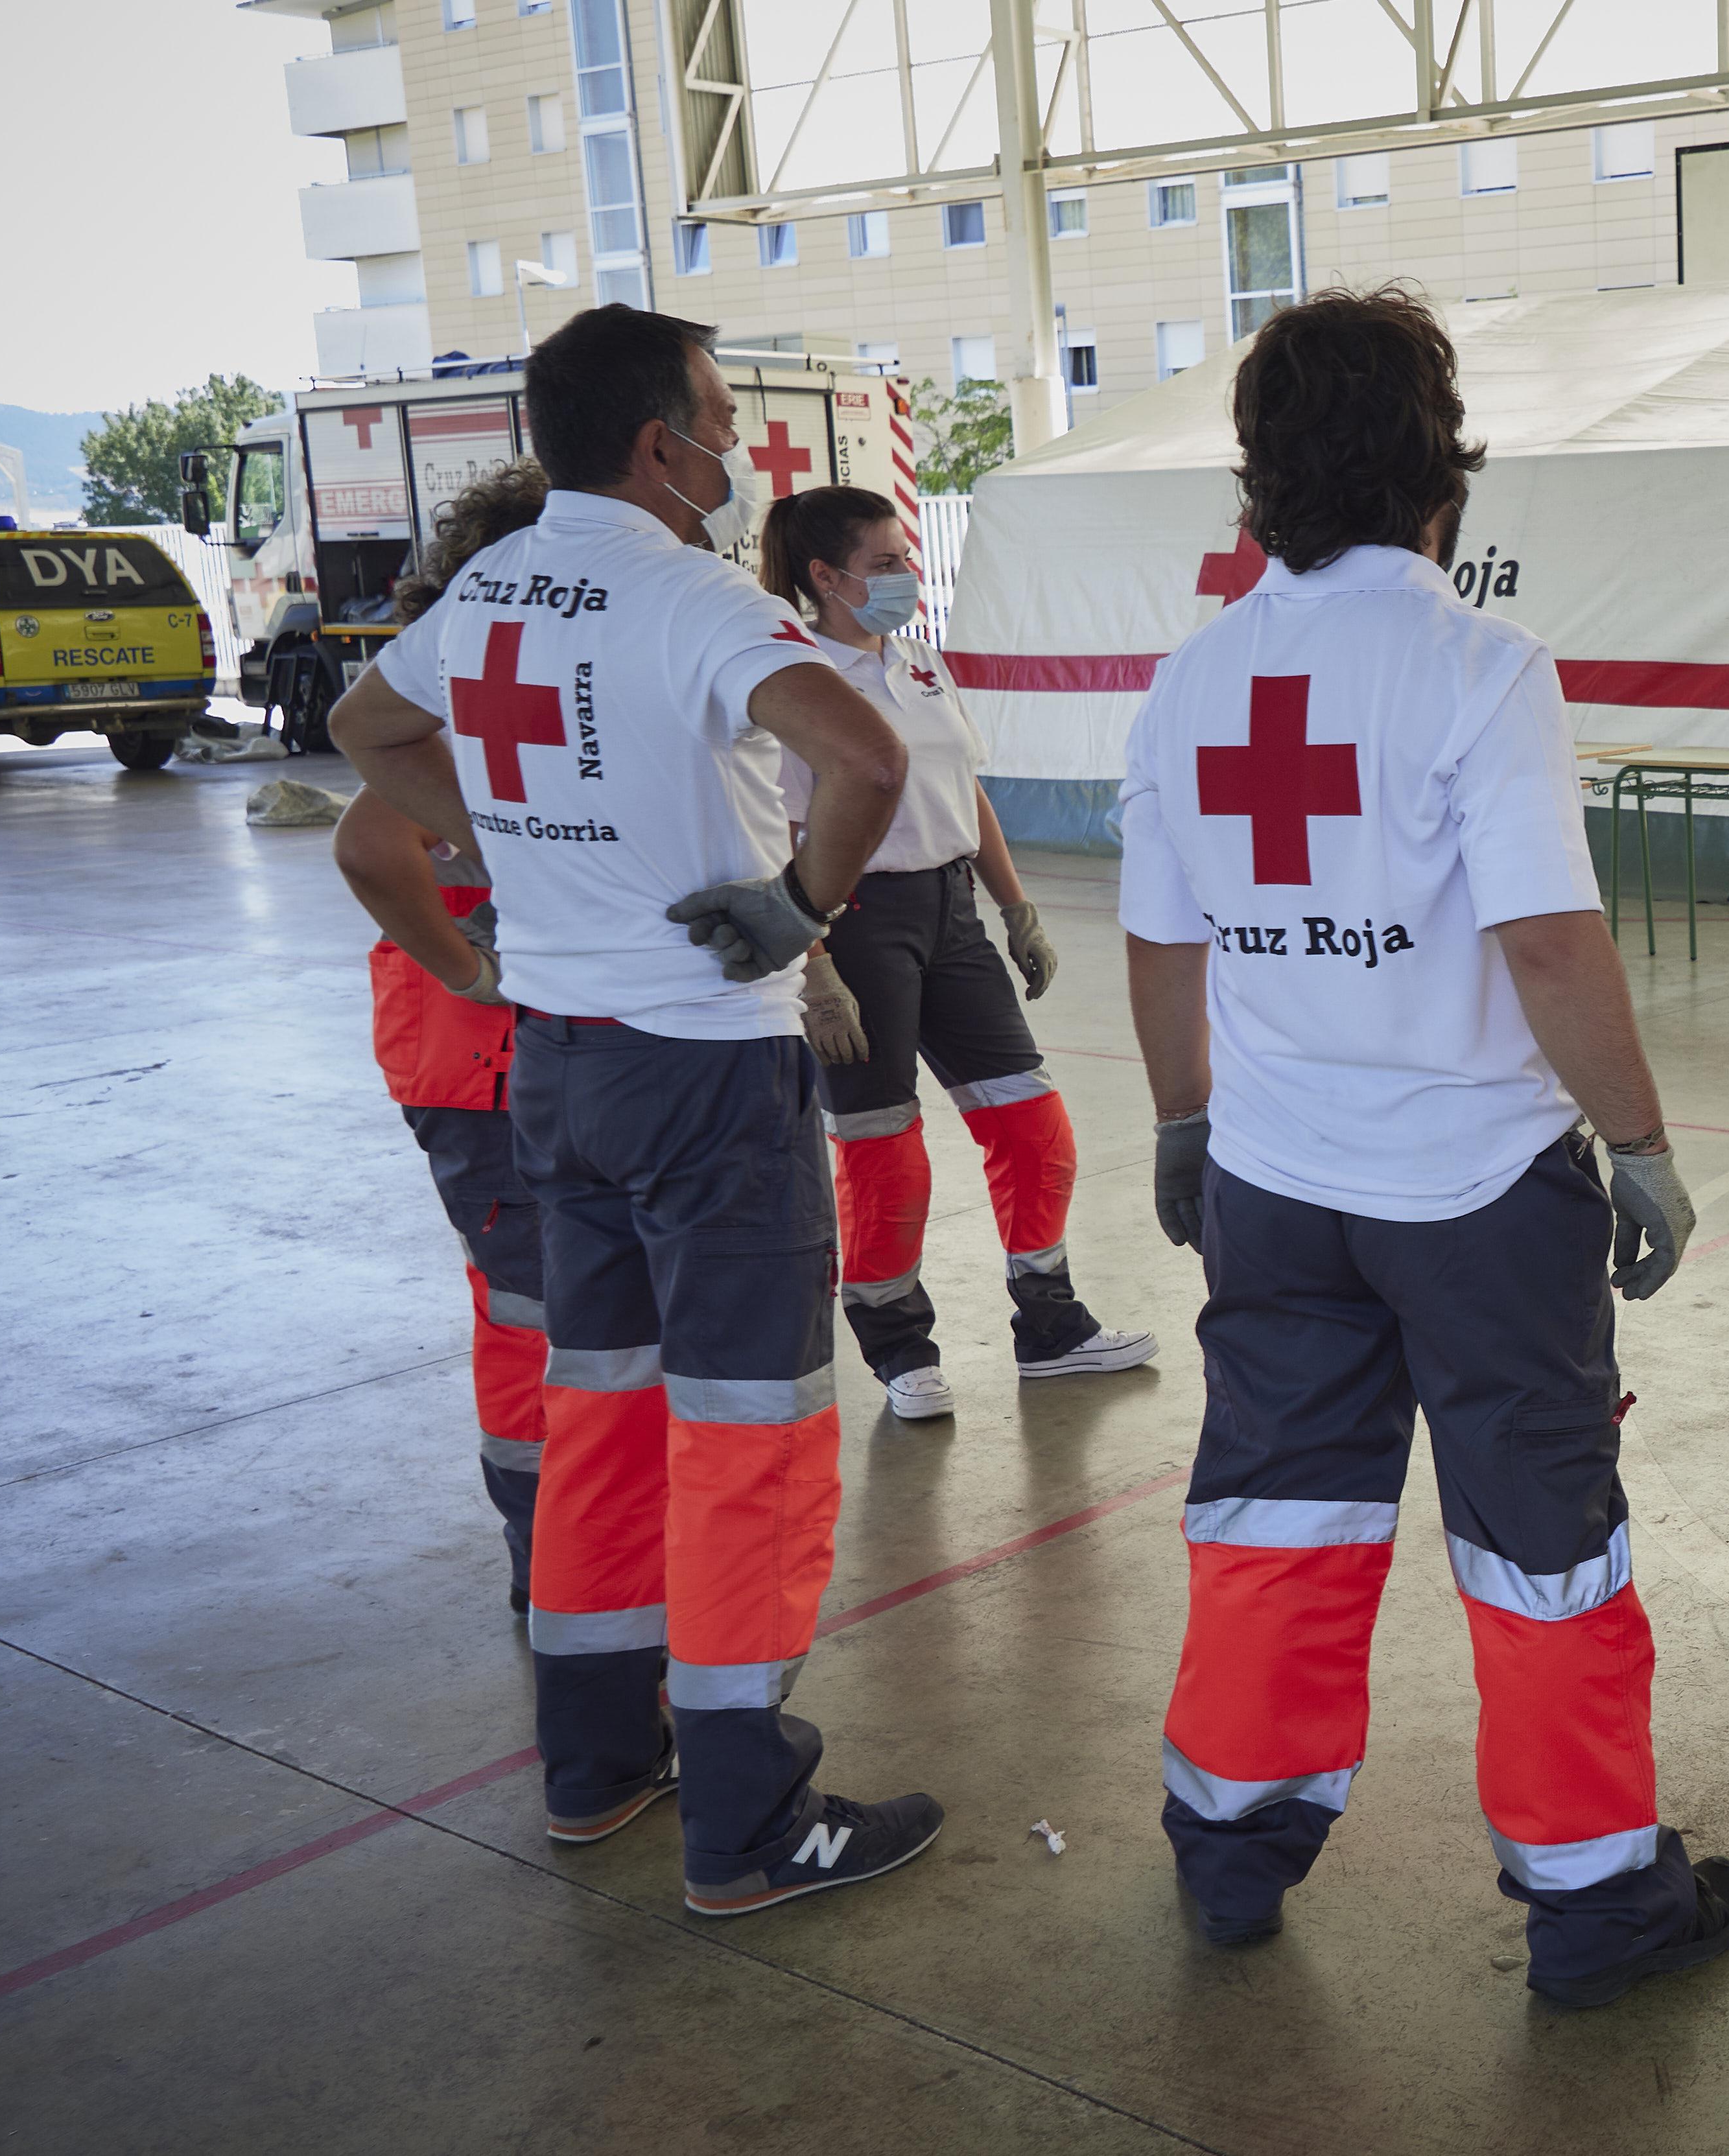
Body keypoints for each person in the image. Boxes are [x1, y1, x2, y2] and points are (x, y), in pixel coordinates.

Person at [1120, 285, 1729, 2008]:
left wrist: (1184, 1121)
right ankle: (1594, 1893)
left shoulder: (1189, 685)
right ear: (1439, 486)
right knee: (1540, 1539)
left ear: (1256, 501)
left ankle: (1230, 1842)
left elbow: (1162, 943)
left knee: (1272, 1514)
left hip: (1273, 1182)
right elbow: (1549, 941)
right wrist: (1636, 1140)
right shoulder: (1482, 668)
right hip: (1478, 1196)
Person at [328, 304, 944, 1917]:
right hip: (702, 1066)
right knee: (749, 1433)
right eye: (726, 422)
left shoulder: (490, 590)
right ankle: (751, 1819)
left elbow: (363, 731)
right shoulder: (689, 592)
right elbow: (864, 761)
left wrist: (514, 844)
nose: (738, 451)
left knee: (598, 1413)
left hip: (558, 1064)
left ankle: (597, 1763)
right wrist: (801, 910)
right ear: (662, 446)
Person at [755, 486, 1155, 1420]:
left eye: (907, 558)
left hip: (951, 911)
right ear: (827, 577)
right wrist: (813, 964)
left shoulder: (920, 663)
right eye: (887, 562)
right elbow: (781, 828)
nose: (909, 575)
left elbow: (965, 789)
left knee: (1033, 1125)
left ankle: (1050, 1325)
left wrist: (1016, 909)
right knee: (883, 1150)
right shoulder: (795, 680)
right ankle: (900, 1347)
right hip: (855, 922)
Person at [331, 460, 553, 1617]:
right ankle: (546, 1560)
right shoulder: (474, 695)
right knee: (530, 1317)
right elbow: (374, 850)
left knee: (544, 1312)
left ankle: (572, 1554)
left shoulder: (478, 675)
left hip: (494, 1062)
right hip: (480, 1069)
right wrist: (477, 970)